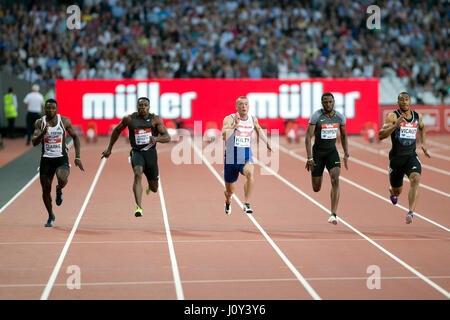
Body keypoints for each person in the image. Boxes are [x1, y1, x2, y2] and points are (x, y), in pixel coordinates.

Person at [101, 97, 170, 217]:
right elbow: (117, 131)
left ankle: (150, 185)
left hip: (151, 154)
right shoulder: (129, 119)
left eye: (145, 105)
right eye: (140, 105)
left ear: (149, 107)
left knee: (154, 188)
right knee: (138, 173)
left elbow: (167, 137)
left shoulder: (155, 120)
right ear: (137, 107)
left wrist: (157, 138)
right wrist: (109, 148)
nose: (142, 107)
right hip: (137, 152)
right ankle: (139, 207)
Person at [378, 92, 430, 224]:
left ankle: (411, 212)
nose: (404, 102)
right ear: (398, 102)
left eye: (407, 99)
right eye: (402, 100)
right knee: (397, 191)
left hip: (411, 156)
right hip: (396, 159)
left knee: (415, 178)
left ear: (410, 101)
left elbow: (422, 128)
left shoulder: (417, 116)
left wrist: (423, 143)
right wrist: (395, 126)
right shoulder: (393, 116)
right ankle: (392, 192)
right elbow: (380, 135)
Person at [31, 99, 84, 227]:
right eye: (47, 108)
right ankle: (50, 215)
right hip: (46, 159)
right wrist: (43, 133)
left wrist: (77, 157)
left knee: (62, 178)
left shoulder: (64, 121)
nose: (50, 110)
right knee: (45, 189)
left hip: (61, 157)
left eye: (52, 108)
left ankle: (59, 189)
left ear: (57, 109)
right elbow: (34, 142)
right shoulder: (40, 123)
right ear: (44, 109)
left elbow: (76, 137)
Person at [221, 96, 272, 215]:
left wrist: (267, 143)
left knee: (250, 173)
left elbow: (259, 130)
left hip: (245, 154)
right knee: (229, 191)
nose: (243, 106)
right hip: (231, 158)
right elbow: (224, 135)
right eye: (241, 104)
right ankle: (228, 201)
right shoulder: (230, 119)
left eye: (246, 104)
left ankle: (246, 203)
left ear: (248, 106)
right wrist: (235, 125)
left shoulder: (253, 119)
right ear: (236, 106)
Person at [305, 92, 349, 225]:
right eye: (325, 101)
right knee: (316, 188)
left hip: (331, 152)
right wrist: (309, 157)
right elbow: (308, 137)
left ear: (334, 102)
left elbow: (344, 136)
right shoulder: (316, 116)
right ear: (322, 103)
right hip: (317, 153)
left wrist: (346, 153)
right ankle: (318, 173)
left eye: (330, 101)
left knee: (335, 179)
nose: (328, 104)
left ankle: (333, 214)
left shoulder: (340, 117)